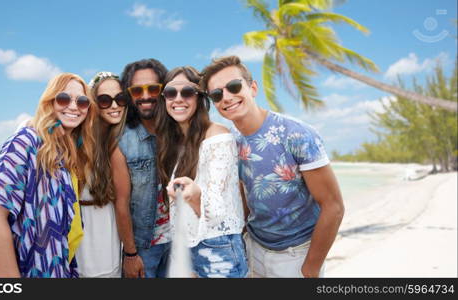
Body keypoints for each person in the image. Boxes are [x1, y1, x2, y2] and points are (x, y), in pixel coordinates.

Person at [195, 55, 345, 278]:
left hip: (296, 255)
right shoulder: (231, 142)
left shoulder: (297, 134)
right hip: (254, 249)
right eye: (217, 94)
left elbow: (333, 207)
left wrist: (310, 269)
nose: (226, 97)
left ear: (253, 88)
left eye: (234, 86)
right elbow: (244, 196)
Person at [0, 73, 96, 278]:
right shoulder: (26, 141)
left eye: (82, 101)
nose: (74, 106)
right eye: (64, 99)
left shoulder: (66, 155)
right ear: (49, 102)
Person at [159, 66, 247, 278]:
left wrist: (194, 195)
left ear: (199, 97)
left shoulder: (218, 137)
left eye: (187, 92)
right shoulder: (176, 142)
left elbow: (217, 212)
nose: (178, 99)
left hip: (217, 246)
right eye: (171, 93)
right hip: (186, 245)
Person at [111, 58, 170, 278]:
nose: (145, 96)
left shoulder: (177, 132)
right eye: (137, 90)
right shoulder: (122, 142)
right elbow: (121, 203)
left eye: (153, 88)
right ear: (129, 95)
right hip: (145, 247)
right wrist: (130, 254)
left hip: (180, 244)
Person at [74, 71, 127, 278]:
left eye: (120, 99)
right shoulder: (77, 138)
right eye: (105, 100)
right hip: (80, 231)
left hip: (107, 230)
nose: (114, 105)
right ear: (93, 102)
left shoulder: (121, 139)